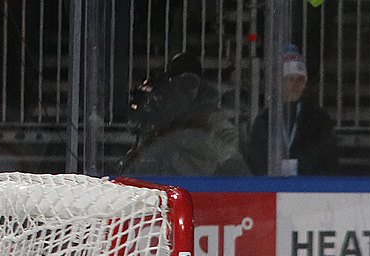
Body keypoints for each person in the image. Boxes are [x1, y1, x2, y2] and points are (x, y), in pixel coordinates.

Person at [118, 51, 248, 176]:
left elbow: (231, 150)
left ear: (199, 85)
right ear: (169, 84)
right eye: (178, 83)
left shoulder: (208, 115)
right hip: (155, 182)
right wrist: (145, 101)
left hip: (195, 184)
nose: (183, 89)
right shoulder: (158, 109)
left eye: (190, 82)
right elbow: (134, 126)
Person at [243, 45, 340, 175]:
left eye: (300, 79)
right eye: (290, 79)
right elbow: (256, 162)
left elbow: (329, 161)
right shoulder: (265, 120)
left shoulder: (320, 120)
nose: (296, 85)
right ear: (280, 82)